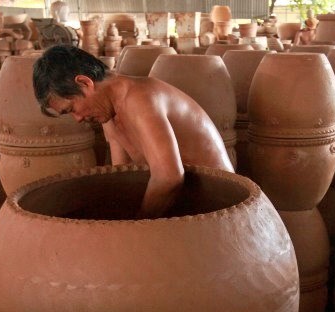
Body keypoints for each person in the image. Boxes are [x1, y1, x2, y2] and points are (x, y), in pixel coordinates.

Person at [33, 45, 234, 218]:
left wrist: (138, 223)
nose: (77, 119)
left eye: (71, 109)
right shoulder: (107, 111)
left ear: (85, 83)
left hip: (219, 206)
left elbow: (169, 178)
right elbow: (123, 175)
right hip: (182, 203)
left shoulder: (139, 98)